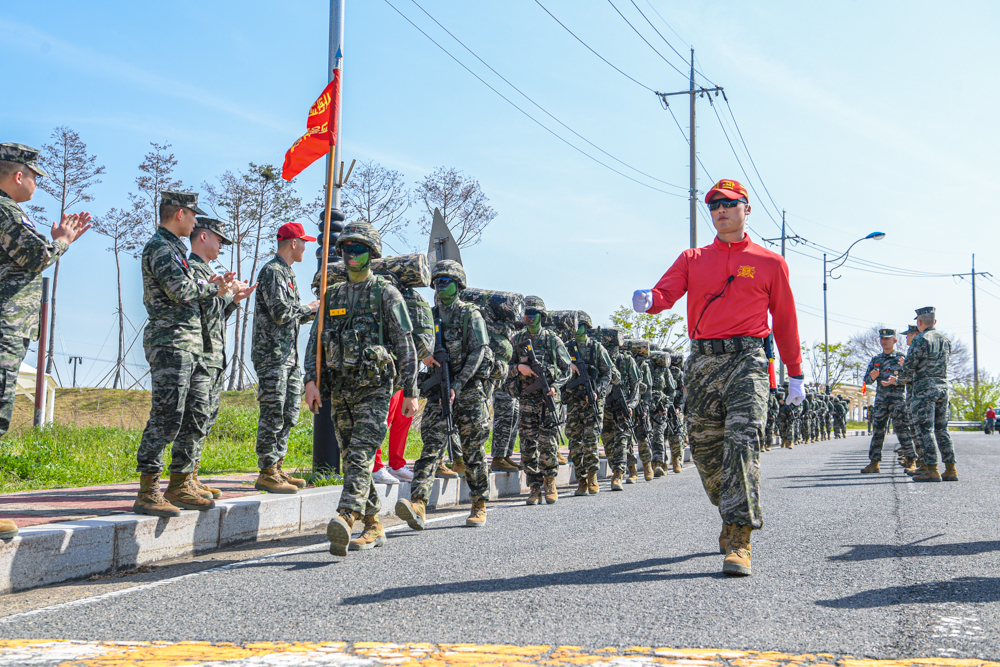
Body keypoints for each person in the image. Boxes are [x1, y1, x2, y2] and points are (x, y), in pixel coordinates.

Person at [632, 178, 804, 577]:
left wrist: (795, 373)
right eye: (714, 205)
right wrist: (649, 301)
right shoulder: (693, 258)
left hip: (748, 361)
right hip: (704, 362)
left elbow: (786, 319)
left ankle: (741, 538)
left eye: (729, 203)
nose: (721, 209)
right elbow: (666, 293)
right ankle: (729, 511)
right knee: (707, 453)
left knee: (743, 445)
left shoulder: (769, 262)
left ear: (746, 209)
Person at [304, 222, 419, 556]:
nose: (351, 255)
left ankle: (346, 514)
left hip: (376, 389)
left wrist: (410, 391)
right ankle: (374, 526)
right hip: (340, 388)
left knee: (361, 453)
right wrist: (310, 382)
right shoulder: (333, 295)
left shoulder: (386, 293)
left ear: (372, 253)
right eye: (346, 249)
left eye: (359, 249)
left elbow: (405, 345)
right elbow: (315, 343)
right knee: (354, 458)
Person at [0, 143, 91, 540]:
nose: (37, 183)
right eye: (35, 175)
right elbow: (36, 256)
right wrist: (63, 240)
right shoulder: (5, 211)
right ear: (18, 175)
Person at [135, 191, 236, 517]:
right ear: (180, 214)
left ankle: (180, 483)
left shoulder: (175, 249)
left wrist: (220, 293)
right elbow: (180, 290)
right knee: (166, 418)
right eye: (193, 216)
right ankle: (148, 489)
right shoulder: (160, 248)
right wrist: (215, 289)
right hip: (171, 343)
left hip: (188, 344)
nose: (195, 223)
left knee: (188, 417)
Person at [396, 260, 492, 529]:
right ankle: (418, 503)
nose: (440, 285)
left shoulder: (469, 314)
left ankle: (478, 503)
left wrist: (458, 384)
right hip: (439, 390)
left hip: (468, 391)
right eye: (437, 281)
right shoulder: (431, 314)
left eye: (446, 281)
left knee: (473, 451)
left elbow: (479, 351)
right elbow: (415, 341)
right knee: (431, 448)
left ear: (458, 284)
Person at [183, 217, 256, 499]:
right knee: (194, 418)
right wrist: (224, 291)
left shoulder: (209, 272)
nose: (221, 246)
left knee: (204, 418)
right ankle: (183, 479)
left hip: (213, 356)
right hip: (199, 355)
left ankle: (192, 475)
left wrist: (234, 300)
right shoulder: (192, 269)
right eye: (219, 240)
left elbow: (214, 314)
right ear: (203, 237)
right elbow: (196, 313)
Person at [251, 222, 319, 494]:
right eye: (303, 242)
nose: (305, 247)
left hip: (287, 357)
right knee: (274, 412)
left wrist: (309, 312)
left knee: (289, 412)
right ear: (293, 243)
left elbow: (290, 315)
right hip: (272, 357)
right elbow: (280, 312)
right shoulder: (273, 272)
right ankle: (266, 470)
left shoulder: (286, 272)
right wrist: (310, 308)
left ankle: (278, 466)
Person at [508, 296, 572, 505]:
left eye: (534, 313)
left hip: (547, 400)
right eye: (527, 313)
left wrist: (555, 386)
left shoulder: (553, 340)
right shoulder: (516, 340)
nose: (530, 317)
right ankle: (534, 487)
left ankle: (549, 482)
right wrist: (519, 368)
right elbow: (503, 368)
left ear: (542, 316)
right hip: (526, 399)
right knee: (528, 445)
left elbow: (567, 370)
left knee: (548, 443)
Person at [889, 307, 956, 482]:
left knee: (925, 430)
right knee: (942, 430)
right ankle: (951, 468)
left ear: (919, 323)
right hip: (943, 387)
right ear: (934, 322)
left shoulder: (920, 339)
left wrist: (898, 380)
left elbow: (909, 368)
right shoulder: (946, 340)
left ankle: (931, 469)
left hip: (924, 389)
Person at [564, 312, 614, 496]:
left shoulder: (597, 348)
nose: (576, 330)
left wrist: (597, 391)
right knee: (575, 442)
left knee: (591, 440)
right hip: (574, 400)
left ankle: (592, 475)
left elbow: (608, 374)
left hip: (592, 400)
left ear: (586, 327)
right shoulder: (566, 348)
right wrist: (568, 365)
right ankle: (581, 479)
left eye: (579, 326)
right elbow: (556, 366)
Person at [859, 329, 918, 474]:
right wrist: (872, 377)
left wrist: (895, 382)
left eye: (887, 339)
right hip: (881, 401)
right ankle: (874, 462)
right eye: (882, 339)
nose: (883, 341)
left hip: (898, 400)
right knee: (878, 431)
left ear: (895, 341)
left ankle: (911, 460)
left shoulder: (901, 358)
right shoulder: (876, 359)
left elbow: (911, 378)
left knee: (902, 430)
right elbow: (866, 380)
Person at [601, 329, 640, 491]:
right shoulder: (599, 358)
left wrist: (631, 405)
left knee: (622, 442)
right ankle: (621, 467)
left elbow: (636, 386)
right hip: (605, 408)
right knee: (608, 443)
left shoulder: (627, 361)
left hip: (622, 408)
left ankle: (618, 473)